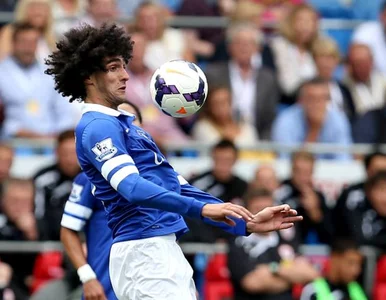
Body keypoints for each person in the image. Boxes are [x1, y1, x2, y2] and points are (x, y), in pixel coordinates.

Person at [45, 23, 302, 300]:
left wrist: (244, 223)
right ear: (88, 77)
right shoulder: (97, 126)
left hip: (159, 249)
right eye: (114, 68)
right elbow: (131, 187)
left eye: (124, 66)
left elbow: (179, 186)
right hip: (144, 251)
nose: (126, 75)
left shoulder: (128, 127)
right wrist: (202, 211)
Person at [60, 102, 142, 300]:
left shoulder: (157, 176)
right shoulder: (91, 177)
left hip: (149, 288)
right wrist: (87, 277)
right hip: (105, 290)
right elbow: (68, 230)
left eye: (129, 119)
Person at [228, 188, 319, 300]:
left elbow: (311, 274)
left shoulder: (286, 238)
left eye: (268, 209)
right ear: (246, 212)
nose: (265, 215)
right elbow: (252, 284)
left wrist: (273, 269)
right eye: (258, 209)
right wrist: (291, 278)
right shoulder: (239, 243)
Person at [272, 78, 352, 160]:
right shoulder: (285, 121)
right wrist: (314, 129)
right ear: (301, 100)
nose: (316, 104)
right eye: (311, 98)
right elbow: (285, 161)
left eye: (321, 99)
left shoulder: (339, 120)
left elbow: (343, 161)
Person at [275, 151, 333, 244]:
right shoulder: (279, 190)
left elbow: (329, 236)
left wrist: (314, 211)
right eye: (298, 171)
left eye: (306, 172)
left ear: (312, 172)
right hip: (279, 244)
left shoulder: (318, 196)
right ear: (291, 170)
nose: (302, 177)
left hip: (304, 248)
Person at [33, 129, 81, 241]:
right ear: (56, 152)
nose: (69, 159)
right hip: (50, 242)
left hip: (85, 242)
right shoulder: (43, 178)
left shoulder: (92, 178)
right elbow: (38, 213)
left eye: (74, 153)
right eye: (65, 153)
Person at [192, 86, 259, 146]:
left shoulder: (247, 128)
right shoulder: (202, 128)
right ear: (209, 106)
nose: (221, 107)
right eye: (216, 103)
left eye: (225, 102)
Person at [300, 239, 366, 300]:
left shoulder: (356, 289)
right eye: (350, 263)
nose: (356, 271)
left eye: (359, 264)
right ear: (335, 258)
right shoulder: (313, 290)